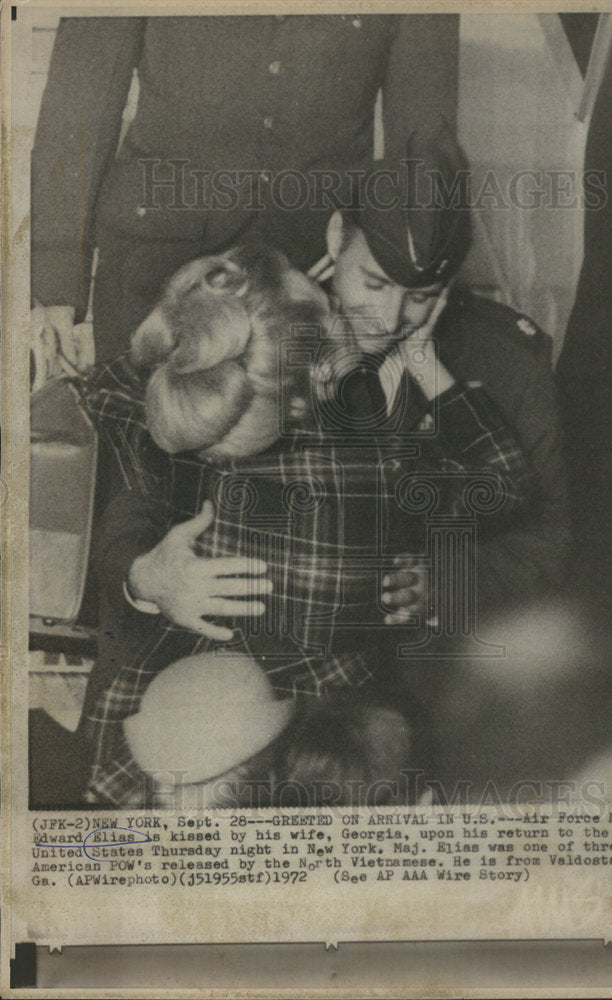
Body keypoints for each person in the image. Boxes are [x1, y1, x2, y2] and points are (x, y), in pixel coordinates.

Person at [80, 130, 569, 805]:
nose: (394, 316)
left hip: (364, 701)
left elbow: (546, 537)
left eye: (423, 295)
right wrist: (147, 575)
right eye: (373, 281)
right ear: (339, 236)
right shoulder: (250, 320)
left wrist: (448, 579)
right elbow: (137, 480)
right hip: (194, 674)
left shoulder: (504, 360)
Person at [31, 13, 459, 364]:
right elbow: (77, 106)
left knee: (300, 459)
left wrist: (417, 278)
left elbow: (424, 141)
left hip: (311, 266)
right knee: (140, 445)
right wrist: (58, 285)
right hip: (152, 260)